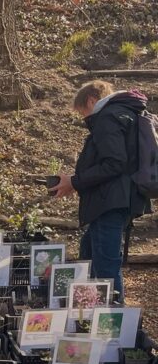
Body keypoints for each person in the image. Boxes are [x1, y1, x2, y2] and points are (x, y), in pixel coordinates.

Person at [51, 80, 150, 301]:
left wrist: (74, 182)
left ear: (91, 101)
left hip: (110, 202)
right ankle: (87, 313)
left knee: (105, 266)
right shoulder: (125, 114)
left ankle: (113, 323)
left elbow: (114, 163)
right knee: (89, 254)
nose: (84, 118)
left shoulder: (107, 118)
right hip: (119, 199)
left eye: (82, 112)